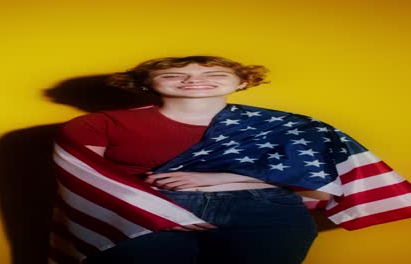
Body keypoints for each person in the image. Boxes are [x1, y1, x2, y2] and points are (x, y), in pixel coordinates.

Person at [49, 56, 411, 264]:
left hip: (267, 212)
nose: (194, 81)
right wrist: (157, 212)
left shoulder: (287, 125)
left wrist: (219, 179)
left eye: (214, 74)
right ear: (146, 83)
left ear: (241, 82)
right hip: (147, 212)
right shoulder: (98, 123)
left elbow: (320, 188)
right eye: (174, 74)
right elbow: (84, 181)